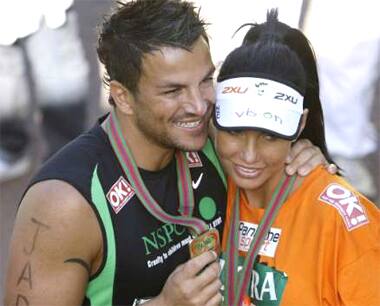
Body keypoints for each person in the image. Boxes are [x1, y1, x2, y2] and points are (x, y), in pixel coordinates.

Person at [4, 1, 333, 305]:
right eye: (173, 90)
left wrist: (300, 157)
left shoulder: (219, 140)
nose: (200, 105)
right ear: (122, 97)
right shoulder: (63, 205)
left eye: (206, 80)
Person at [215, 10, 380, 306]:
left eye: (270, 136)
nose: (249, 155)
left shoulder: (342, 223)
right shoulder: (207, 181)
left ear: (300, 124)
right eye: (236, 131)